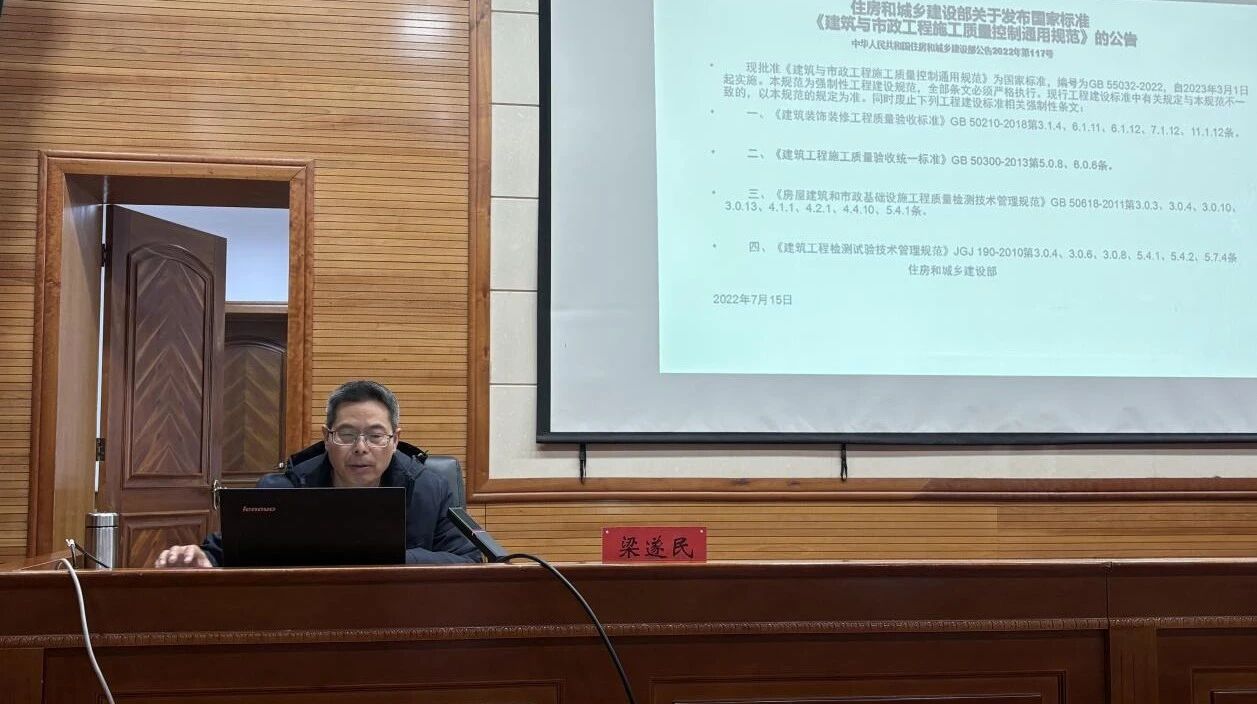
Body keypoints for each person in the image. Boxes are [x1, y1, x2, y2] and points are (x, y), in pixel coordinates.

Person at [155, 380, 480, 567]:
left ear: (395, 440)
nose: (361, 448)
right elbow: (230, 550)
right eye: (347, 435)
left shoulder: (429, 488)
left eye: (375, 436)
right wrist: (202, 557)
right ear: (326, 438)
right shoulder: (284, 490)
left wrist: (387, 557)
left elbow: (468, 560)